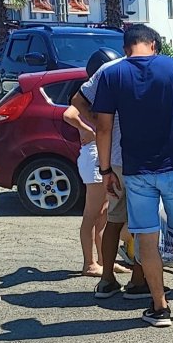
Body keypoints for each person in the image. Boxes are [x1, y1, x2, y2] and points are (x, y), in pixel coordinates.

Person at [91, 24, 173, 327]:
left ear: (126, 48)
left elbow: (104, 127)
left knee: (146, 237)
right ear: (154, 45)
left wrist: (106, 169)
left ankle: (159, 308)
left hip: (136, 171)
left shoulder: (111, 75)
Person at [72, 49, 149, 300]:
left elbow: (77, 101)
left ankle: (107, 279)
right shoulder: (152, 67)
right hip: (138, 158)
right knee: (140, 222)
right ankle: (138, 281)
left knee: (113, 219)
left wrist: (96, 123)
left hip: (114, 159)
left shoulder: (108, 72)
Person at [62, 66, 109, 278]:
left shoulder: (99, 91)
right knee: (92, 212)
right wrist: (87, 128)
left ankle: (102, 260)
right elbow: (69, 113)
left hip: (100, 154)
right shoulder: (87, 92)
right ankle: (89, 263)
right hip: (93, 154)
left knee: (103, 213)